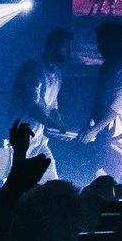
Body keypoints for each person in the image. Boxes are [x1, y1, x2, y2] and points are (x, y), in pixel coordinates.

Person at [81, 20, 122, 184]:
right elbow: (99, 100)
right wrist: (91, 125)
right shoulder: (107, 66)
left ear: (115, 41)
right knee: (108, 181)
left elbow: (117, 106)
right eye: (98, 42)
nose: (99, 46)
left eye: (102, 41)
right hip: (111, 133)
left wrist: (94, 130)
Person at [7, 27, 72, 177]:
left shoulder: (56, 73)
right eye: (65, 47)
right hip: (20, 140)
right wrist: (53, 125)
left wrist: (60, 126)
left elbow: (52, 106)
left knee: (55, 186)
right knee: (15, 187)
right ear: (53, 46)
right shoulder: (32, 69)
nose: (68, 52)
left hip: (40, 142)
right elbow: (33, 106)